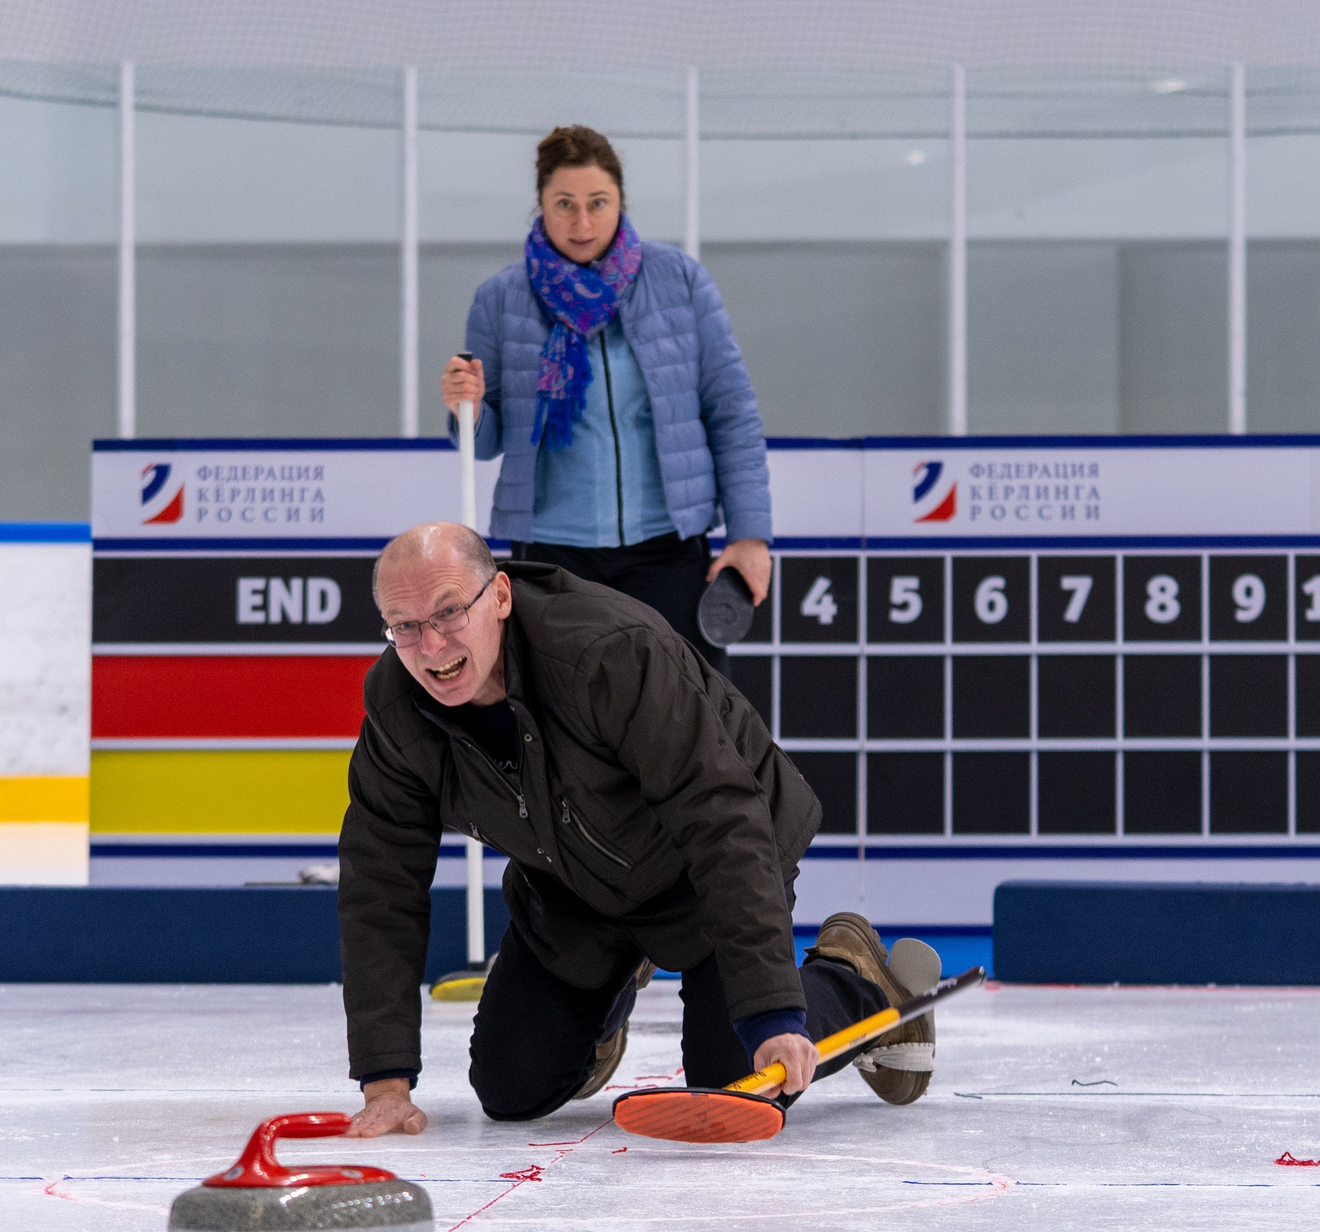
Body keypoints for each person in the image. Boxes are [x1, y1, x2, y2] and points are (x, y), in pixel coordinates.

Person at [338, 522, 944, 1137]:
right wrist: (385, 1081)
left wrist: (773, 1015)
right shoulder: (395, 711)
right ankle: (608, 995)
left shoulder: (606, 652)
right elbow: (379, 887)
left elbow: (722, 817)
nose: (432, 646)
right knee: (512, 1087)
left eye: (448, 612)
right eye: (404, 626)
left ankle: (861, 982)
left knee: (736, 1083)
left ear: (498, 596)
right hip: (579, 888)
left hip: (704, 864)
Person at [440, 124, 772, 671]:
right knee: (569, 725)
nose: (582, 221)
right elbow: (487, 439)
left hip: (667, 550)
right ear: (541, 206)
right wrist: (465, 409)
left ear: (621, 201)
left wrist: (751, 536)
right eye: (564, 203)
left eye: (598, 202)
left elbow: (732, 413)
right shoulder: (501, 299)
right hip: (552, 556)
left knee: (685, 722)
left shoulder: (679, 281)